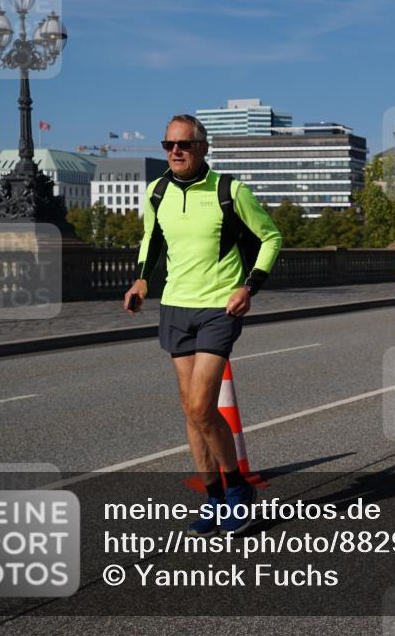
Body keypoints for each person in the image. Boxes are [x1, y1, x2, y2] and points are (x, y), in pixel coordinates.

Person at [123, 115, 283, 534]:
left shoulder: (230, 191)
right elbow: (150, 239)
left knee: (200, 406)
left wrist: (249, 287)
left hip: (218, 308)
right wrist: (142, 278)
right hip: (175, 307)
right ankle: (213, 498)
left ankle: (238, 490)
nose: (175, 151)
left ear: (202, 148)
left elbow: (271, 238)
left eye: (185, 145)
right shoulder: (156, 192)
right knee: (192, 412)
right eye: (168, 145)